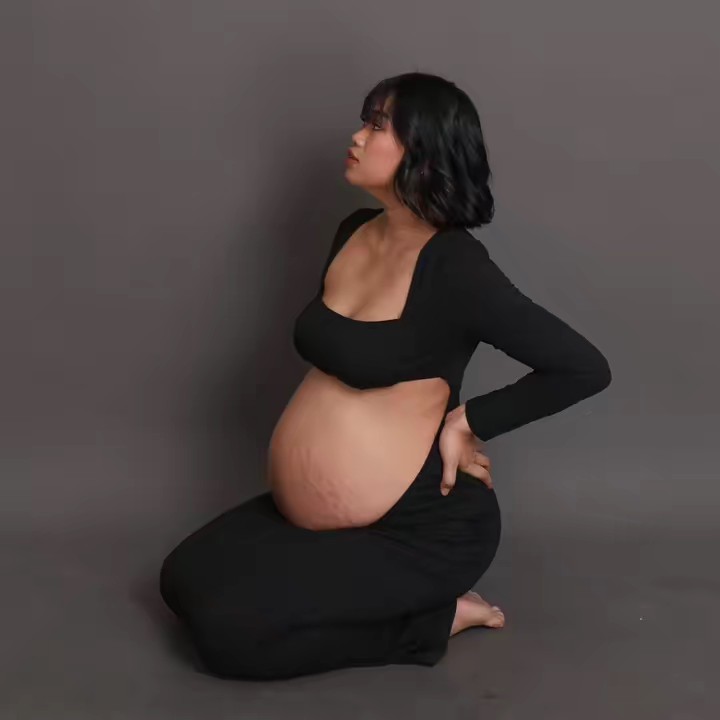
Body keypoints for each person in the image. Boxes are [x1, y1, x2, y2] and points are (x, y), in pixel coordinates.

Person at [159, 72, 612, 681]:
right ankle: (383, 596)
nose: (356, 136)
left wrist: (469, 422)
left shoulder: (456, 266)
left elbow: (582, 367)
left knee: (231, 636)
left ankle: (432, 622)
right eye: (363, 121)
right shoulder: (352, 232)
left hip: (423, 529)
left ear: (423, 151)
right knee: (181, 577)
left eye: (377, 126)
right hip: (329, 522)